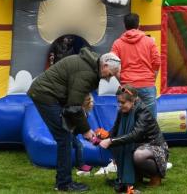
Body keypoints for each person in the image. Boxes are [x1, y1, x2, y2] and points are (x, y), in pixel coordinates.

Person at [28, 49, 121, 192]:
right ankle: (64, 183)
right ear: (105, 66)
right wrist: (86, 130)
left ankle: (63, 180)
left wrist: (84, 131)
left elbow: (72, 107)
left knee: (66, 135)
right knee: (64, 138)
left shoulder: (91, 67)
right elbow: (74, 107)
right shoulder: (87, 73)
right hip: (45, 95)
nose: (110, 78)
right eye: (111, 74)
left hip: (50, 95)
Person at [99, 85, 169, 192]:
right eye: (118, 102)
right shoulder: (122, 111)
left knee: (138, 155)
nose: (119, 105)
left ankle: (156, 176)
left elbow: (135, 135)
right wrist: (103, 136)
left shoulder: (143, 111)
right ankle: (134, 177)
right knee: (118, 146)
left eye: (122, 102)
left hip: (155, 146)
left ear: (133, 100)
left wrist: (111, 140)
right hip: (136, 145)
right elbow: (115, 130)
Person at [112, 13, 161, 118]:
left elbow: (113, 65)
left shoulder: (117, 43)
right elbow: (157, 62)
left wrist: (122, 80)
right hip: (147, 84)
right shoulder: (149, 41)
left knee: (128, 121)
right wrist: (152, 79)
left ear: (125, 26)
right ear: (139, 25)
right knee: (150, 122)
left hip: (127, 86)